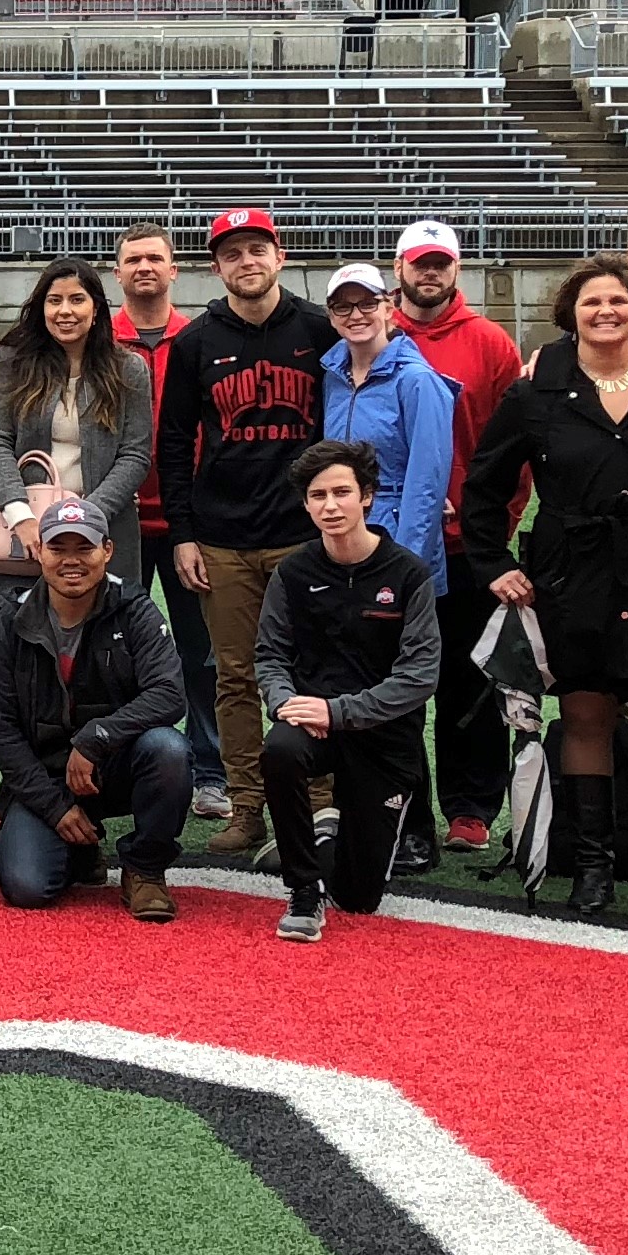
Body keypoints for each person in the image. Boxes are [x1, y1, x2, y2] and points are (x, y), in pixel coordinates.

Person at [462, 259, 628, 922]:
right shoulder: (537, 389)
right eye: (592, 301)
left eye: (618, 301)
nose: (606, 311)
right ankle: (591, 865)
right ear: (570, 313)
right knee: (587, 716)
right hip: (574, 572)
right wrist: (492, 562)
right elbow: (485, 485)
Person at [155, 205, 331, 859]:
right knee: (233, 675)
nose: (247, 261)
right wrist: (183, 532)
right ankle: (248, 806)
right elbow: (175, 443)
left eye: (258, 249)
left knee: (309, 671)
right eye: (233, 253)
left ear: (279, 256)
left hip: (301, 534)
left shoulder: (318, 328)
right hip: (223, 536)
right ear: (216, 266)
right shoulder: (198, 341)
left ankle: (316, 805)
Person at [254, 440, 441, 944]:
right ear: (306, 504)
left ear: (368, 498)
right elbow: (269, 656)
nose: (330, 506)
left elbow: (419, 676)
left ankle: (323, 836)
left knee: (359, 898)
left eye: (341, 492)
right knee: (280, 749)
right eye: (318, 495)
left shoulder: (408, 574)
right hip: (310, 725)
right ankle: (303, 890)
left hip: (381, 734)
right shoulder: (293, 572)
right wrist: (282, 702)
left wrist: (338, 712)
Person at [0, 497, 192, 916]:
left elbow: (169, 695)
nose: (71, 561)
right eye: (58, 549)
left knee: (169, 750)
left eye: (84, 549)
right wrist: (54, 808)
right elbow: (0, 731)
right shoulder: (8, 624)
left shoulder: (135, 609)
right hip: (46, 776)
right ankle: (80, 852)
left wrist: (95, 738)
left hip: (117, 765)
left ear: (107, 552)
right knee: (27, 887)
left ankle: (146, 869)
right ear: (39, 551)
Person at [389, 220, 523, 859]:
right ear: (399, 269)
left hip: (466, 544)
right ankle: (401, 801)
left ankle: (471, 809)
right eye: (420, 262)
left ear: (457, 270)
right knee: (398, 678)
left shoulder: (490, 344)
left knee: (471, 683)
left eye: (441, 263)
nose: (430, 273)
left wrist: (493, 521)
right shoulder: (375, 337)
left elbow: (512, 445)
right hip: (389, 545)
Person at [112, 223, 228, 824]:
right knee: (122, 651)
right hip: (119, 519)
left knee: (201, 653)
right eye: (133, 259)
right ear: (118, 270)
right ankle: (130, 763)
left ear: (175, 268)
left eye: (155, 257)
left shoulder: (201, 336)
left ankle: (210, 771)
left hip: (191, 521)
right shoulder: (103, 337)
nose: (145, 268)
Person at [315, 269, 455, 755]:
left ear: (389, 305)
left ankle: (407, 821)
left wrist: (407, 567)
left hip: (394, 549)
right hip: (348, 549)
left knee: (399, 693)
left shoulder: (417, 381)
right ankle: (359, 814)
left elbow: (428, 482)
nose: (356, 315)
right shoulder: (332, 376)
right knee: (352, 678)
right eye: (343, 307)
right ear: (331, 317)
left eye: (366, 303)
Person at [0, 255, 153, 575]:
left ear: (97, 308)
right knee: (27, 622)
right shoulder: (11, 363)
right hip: (28, 530)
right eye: (54, 300)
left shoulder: (129, 369)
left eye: (77, 299)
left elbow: (135, 454)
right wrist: (21, 516)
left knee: (105, 621)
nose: (65, 311)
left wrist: (84, 517)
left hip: (104, 527)